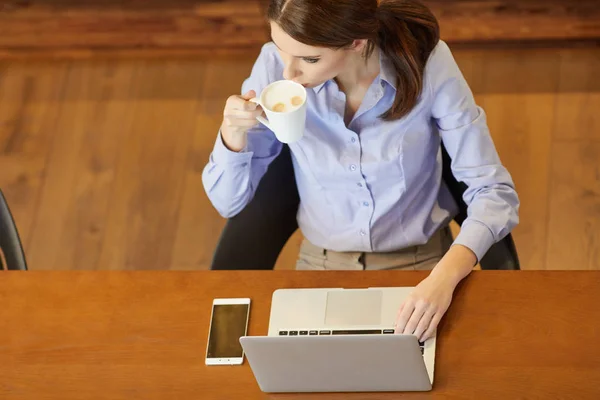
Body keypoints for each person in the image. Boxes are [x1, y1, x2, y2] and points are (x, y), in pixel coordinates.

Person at [202, 0, 519, 342]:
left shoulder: (427, 61)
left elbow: (493, 193)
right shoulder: (273, 67)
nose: (287, 74)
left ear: (357, 42)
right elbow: (227, 203)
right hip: (320, 267)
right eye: (281, 50)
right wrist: (232, 135)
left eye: (310, 59)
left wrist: (444, 279)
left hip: (423, 267)